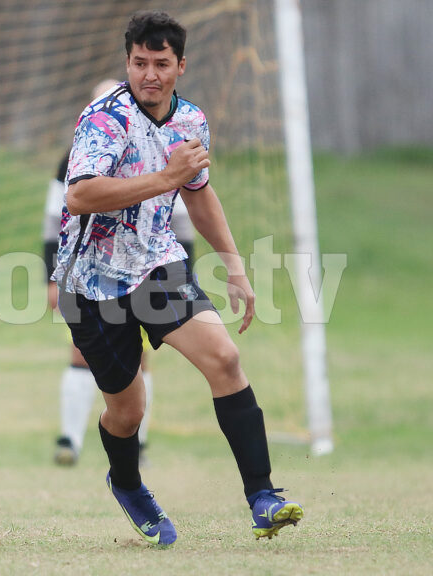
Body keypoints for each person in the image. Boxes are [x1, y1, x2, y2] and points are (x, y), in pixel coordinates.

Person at [53, 11, 303, 544]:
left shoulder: (191, 121)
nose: (149, 74)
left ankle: (263, 497)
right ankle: (127, 483)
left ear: (180, 66)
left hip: (157, 267)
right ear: (127, 63)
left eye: (160, 64)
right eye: (139, 63)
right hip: (92, 284)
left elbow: (198, 190)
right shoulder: (104, 119)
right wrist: (165, 176)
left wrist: (234, 263)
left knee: (225, 358)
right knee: (128, 410)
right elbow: (80, 194)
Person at [45, 80, 197, 467]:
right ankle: (69, 441)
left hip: (147, 276)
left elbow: (180, 219)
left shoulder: (158, 148)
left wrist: (183, 277)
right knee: (80, 353)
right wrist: (50, 277)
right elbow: (53, 220)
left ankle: (138, 444)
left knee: (140, 357)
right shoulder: (73, 159)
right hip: (87, 278)